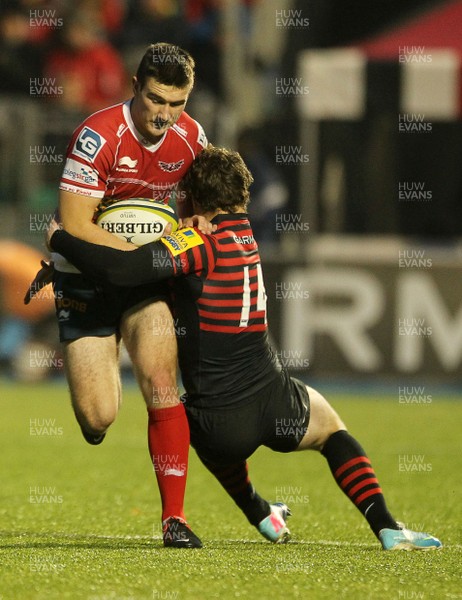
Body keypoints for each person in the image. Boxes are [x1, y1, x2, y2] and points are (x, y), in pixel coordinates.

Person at [47, 146, 442, 551]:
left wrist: (62, 239)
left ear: (196, 201)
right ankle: (387, 526)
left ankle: (256, 510)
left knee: (179, 417)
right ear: (242, 197)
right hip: (274, 397)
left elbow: (123, 270)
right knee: (333, 432)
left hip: (219, 421)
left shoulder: (198, 242)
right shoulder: (247, 233)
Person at [26, 42, 209, 548]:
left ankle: (175, 520)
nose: (165, 115)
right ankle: (98, 397)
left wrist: (191, 230)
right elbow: (79, 226)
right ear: (135, 86)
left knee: (159, 378)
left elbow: (198, 215)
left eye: (178, 103)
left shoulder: (192, 138)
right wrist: (145, 252)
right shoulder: (96, 136)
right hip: (85, 275)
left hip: (141, 280)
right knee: (99, 415)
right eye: (156, 100)